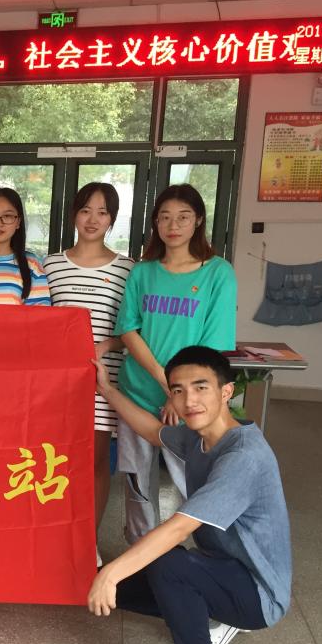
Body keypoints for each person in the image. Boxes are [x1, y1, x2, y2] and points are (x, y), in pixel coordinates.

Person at [89, 345, 291, 644]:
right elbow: (154, 432)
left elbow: (180, 528)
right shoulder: (201, 438)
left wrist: (111, 573)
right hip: (221, 568)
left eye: (201, 388)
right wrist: (107, 390)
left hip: (259, 594)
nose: (189, 400)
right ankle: (213, 615)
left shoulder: (243, 457)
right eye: (178, 390)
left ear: (226, 391)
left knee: (167, 564)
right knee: (122, 588)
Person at [114, 184, 236, 543]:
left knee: (192, 481)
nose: (173, 225)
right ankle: (142, 555)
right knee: (138, 484)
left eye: (183, 217)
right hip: (138, 391)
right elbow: (128, 329)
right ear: (155, 223)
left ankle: (201, 554)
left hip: (191, 401)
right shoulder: (143, 272)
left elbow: (212, 347)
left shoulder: (217, 273)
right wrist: (165, 383)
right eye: (165, 217)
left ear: (198, 221)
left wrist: (179, 395)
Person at [43, 183, 134, 563]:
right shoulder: (50, 265)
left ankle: (87, 543)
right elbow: (38, 324)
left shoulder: (127, 269)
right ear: (73, 215)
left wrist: (105, 347)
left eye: (102, 211)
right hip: (58, 384)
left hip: (103, 381)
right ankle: (54, 535)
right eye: (85, 210)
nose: (93, 219)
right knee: (56, 461)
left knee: (95, 462)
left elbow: (133, 329)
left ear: (112, 219)